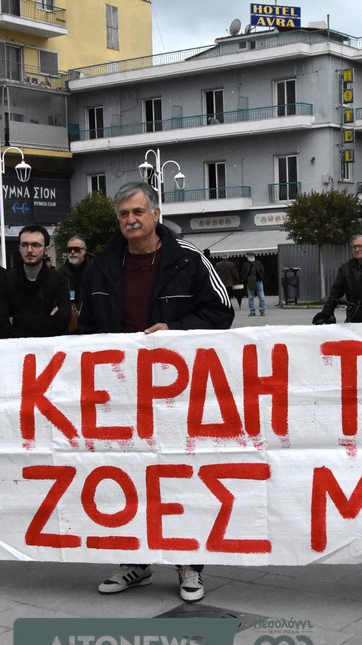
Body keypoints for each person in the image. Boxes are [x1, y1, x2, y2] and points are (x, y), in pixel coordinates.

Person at [78, 181, 234, 602]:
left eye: (138, 212)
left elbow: (222, 311)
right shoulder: (101, 265)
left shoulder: (188, 258)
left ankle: (189, 563)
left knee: (180, 474)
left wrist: (175, 331)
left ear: (155, 214)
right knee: (127, 476)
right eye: (123, 214)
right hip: (120, 395)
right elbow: (85, 328)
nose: (131, 220)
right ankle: (135, 560)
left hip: (177, 394)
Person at [0, 225, 71, 339]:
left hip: (49, 348)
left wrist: (16, 319)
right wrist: (45, 324)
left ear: (46, 250)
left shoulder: (58, 281)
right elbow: (0, 327)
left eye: (36, 245)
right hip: (15, 348)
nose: (29, 250)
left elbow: (62, 324)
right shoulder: (7, 281)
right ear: (19, 248)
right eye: (24, 245)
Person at [314, 234, 362, 323]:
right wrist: (326, 312)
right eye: (354, 247)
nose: (357, 249)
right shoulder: (345, 268)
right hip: (354, 316)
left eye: (360, 246)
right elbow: (336, 291)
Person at [62, 236, 94, 332]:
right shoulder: (61, 272)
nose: (72, 252)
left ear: (84, 250)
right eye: (69, 249)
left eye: (76, 249)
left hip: (91, 322)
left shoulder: (96, 270)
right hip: (69, 323)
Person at [241, 252, 266, 316]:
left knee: (262, 297)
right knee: (251, 297)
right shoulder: (245, 264)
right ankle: (252, 311)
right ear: (247, 257)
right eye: (250, 255)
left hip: (258, 281)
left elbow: (263, 271)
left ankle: (262, 310)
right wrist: (245, 280)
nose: (252, 256)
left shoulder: (258, 263)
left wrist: (261, 276)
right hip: (250, 282)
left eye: (252, 255)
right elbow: (243, 273)